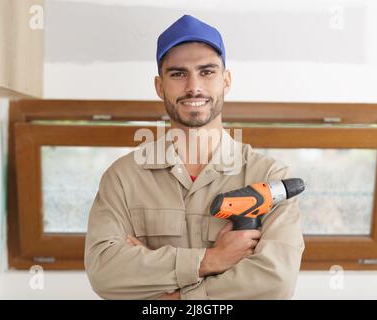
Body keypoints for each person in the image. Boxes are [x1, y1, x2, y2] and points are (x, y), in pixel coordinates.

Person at [85, 14, 304, 300]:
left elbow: (275, 282)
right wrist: (211, 260)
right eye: (178, 73)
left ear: (226, 81)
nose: (193, 87)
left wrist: (178, 298)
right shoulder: (123, 178)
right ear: (160, 86)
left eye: (207, 72)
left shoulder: (270, 177)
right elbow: (105, 272)